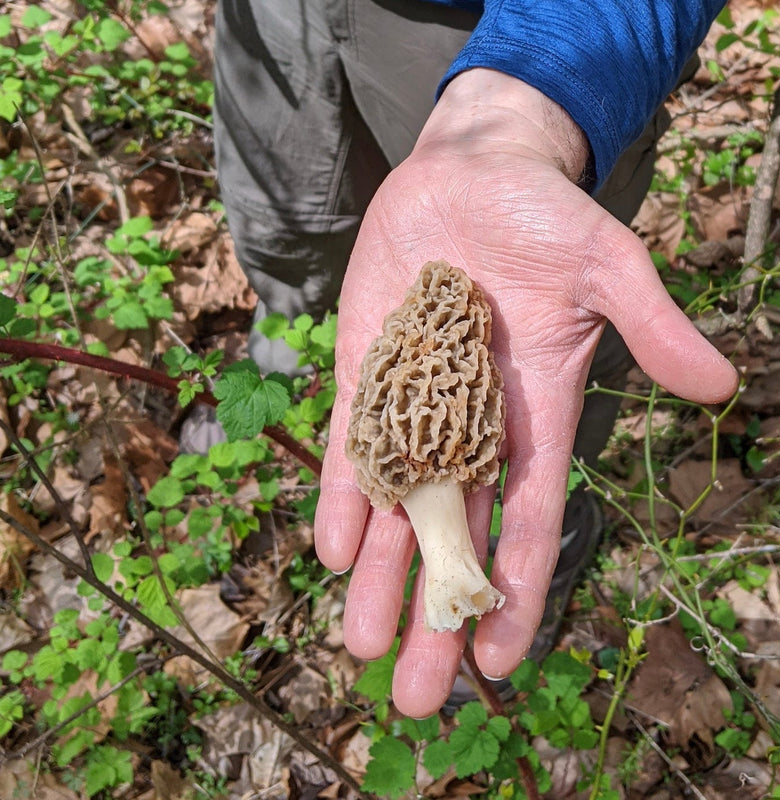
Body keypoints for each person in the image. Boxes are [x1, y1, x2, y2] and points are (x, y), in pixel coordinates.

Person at [213, 0, 740, 718]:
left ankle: (541, 538)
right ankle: (277, 343)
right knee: (292, 237)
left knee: (556, 350)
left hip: (501, 24)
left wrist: (536, 77)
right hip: (272, 21)